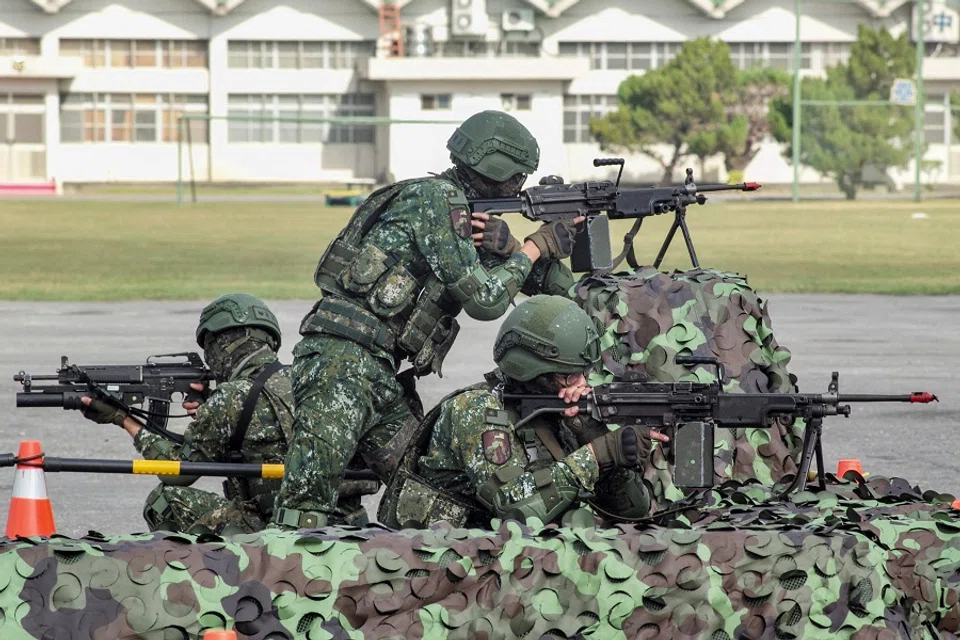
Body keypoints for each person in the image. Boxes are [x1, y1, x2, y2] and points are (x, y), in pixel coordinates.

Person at [272, 110, 582, 529]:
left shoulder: (460, 218)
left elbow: (563, 293)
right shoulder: (438, 201)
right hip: (340, 366)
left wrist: (511, 249)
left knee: (429, 489)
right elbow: (486, 302)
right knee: (303, 509)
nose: (520, 187)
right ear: (497, 168)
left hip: (378, 374)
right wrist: (532, 246)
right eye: (518, 178)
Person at [378, 295, 670, 529]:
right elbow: (514, 510)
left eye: (585, 373)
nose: (581, 384)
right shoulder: (478, 410)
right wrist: (596, 455)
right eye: (569, 376)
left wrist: (593, 435)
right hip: (448, 560)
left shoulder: (558, 410)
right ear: (533, 372)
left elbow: (632, 513)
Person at [77, 293, 298, 535]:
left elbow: (177, 473)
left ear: (221, 344)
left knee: (164, 500)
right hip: (311, 518)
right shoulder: (300, 381)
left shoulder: (232, 397)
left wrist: (123, 419)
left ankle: (199, 571)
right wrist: (210, 410)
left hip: (268, 525)